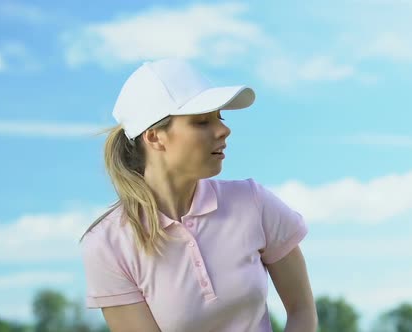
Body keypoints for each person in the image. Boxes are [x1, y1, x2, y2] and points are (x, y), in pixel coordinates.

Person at [79, 58, 317, 332]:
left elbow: (302, 310)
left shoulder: (253, 201)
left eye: (220, 118)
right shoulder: (107, 244)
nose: (224, 130)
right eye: (202, 122)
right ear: (155, 137)